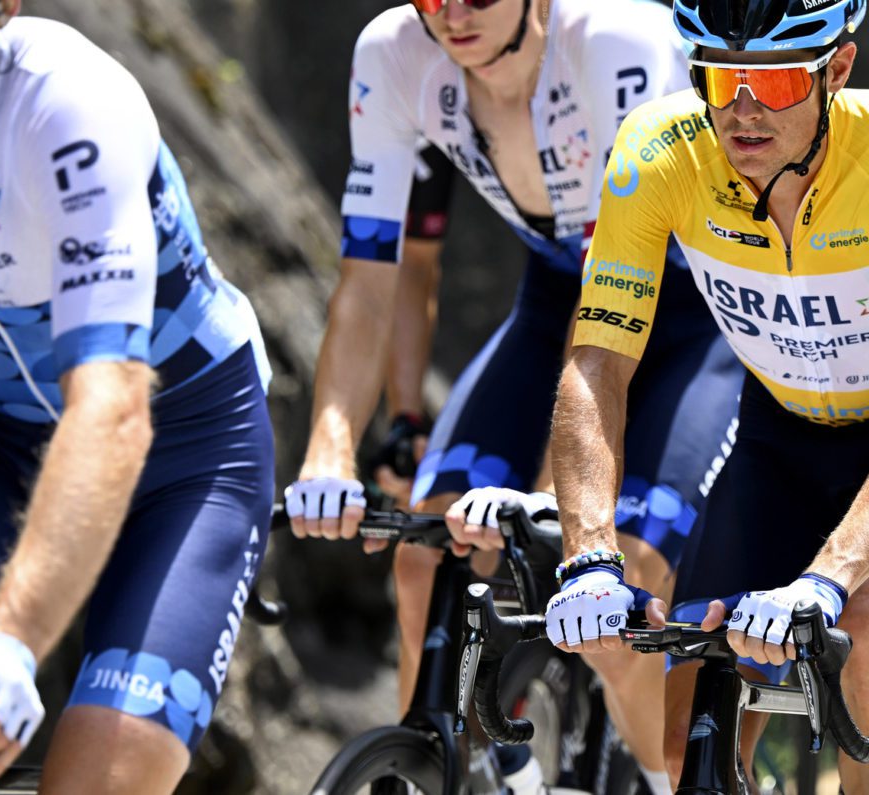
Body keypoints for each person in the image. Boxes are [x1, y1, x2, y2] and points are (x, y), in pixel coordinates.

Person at [542, 0, 869, 789]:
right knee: (685, 742)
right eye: (719, 78)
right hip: (780, 427)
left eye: (777, 83)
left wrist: (826, 579)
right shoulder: (657, 152)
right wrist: (589, 554)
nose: (743, 109)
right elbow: (597, 367)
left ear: (838, 69)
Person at [285, 0, 743, 789]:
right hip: (556, 301)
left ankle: (666, 780)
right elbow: (369, 280)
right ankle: (445, 769)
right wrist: (329, 450)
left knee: (620, 594)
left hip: (694, 319)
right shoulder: (392, 54)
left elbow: (609, 305)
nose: (454, 14)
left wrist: (548, 497)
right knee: (427, 556)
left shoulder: (613, 42)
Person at [0, 1, 274, 793]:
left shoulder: (68, 104)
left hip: (186, 451)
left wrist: (12, 640)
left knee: (102, 772)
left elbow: (112, 411)